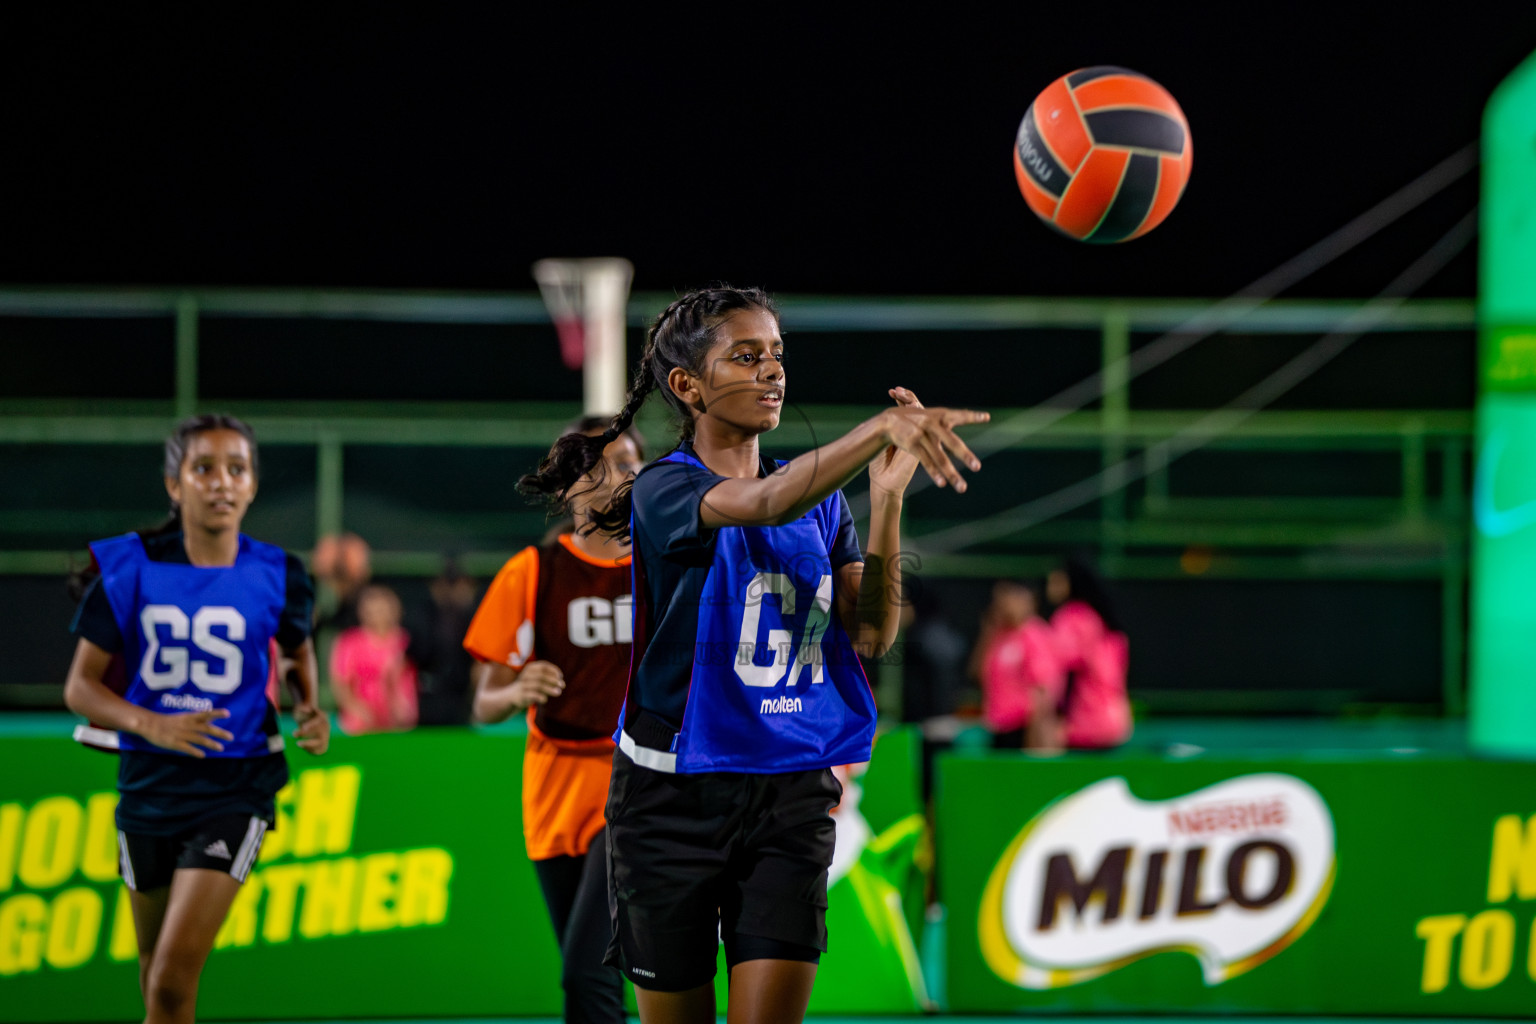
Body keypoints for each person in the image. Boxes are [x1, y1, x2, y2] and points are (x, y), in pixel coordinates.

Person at [518, 286, 987, 1024]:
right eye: (746, 356)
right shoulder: (665, 487)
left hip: (790, 793)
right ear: (688, 385)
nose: (772, 371)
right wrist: (876, 430)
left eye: (775, 355)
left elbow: (871, 637)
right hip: (671, 796)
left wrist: (887, 498)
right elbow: (765, 505)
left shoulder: (824, 501)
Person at [62, 414, 330, 1024]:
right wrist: (151, 724)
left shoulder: (279, 573)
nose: (222, 482)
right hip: (147, 787)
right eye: (203, 468)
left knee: (172, 980)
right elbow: (79, 688)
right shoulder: (129, 568)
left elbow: (295, 651)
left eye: (237, 468)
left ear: (253, 485)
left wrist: (307, 704)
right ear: (174, 484)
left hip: (234, 788)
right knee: (154, 974)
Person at [463, 415, 645, 1024]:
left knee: (585, 970)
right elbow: (482, 703)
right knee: (593, 972)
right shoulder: (533, 571)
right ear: (564, 486)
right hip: (553, 787)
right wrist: (515, 691)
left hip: (636, 784)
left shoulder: (668, 567)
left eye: (624, 463)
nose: (611, 478)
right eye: (591, 467)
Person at [1042, 555, 1133, 749]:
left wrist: (1057, 720)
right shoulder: (1100, 620)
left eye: (1056, 581)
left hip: (1081, 726)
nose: (1050, 587)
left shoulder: (1071, 618)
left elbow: (1067, 672)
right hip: (1114, 722)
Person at [976, 581, 1066, 751]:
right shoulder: (999, 635)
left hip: (1024, 728)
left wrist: (1036, 734)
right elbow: (978, 673)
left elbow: (1043, 688)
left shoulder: (1034, 634)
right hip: (999, 725)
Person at [330, 583, 419, 735]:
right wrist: (358, 710)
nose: (377, 615)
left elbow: (407, 680)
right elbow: (340, 684)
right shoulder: (349, 642)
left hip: (397, 717)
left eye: (382, 609)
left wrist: (400, 711)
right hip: (361, 718)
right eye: (372, 610)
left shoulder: (404, 640)